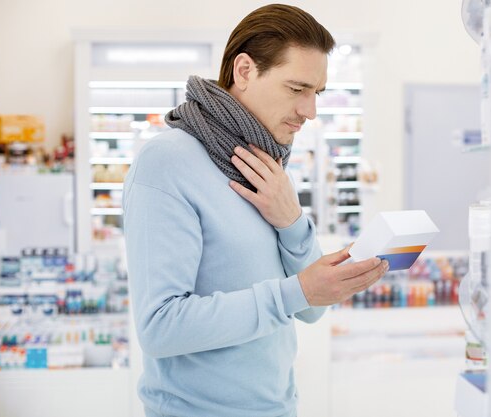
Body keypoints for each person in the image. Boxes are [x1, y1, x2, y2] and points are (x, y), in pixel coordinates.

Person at [123, 4, 389, 417]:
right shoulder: (167, 162)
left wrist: (293, 222)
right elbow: (160, 326)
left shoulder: (267, 165)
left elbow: (311, 310)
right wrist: (295, 290)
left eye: (315, 93)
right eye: (296, 88)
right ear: (244, 71)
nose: (310, 111)